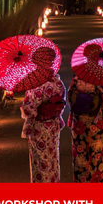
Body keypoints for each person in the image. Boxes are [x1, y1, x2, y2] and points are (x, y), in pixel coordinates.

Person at [20, 48, 66, 183]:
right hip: (53, 125)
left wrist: (24, 108)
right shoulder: (57, 81)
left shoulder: (37, 84)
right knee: (52, 158)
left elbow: (31, 109)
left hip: (39, 127)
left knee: (40, 160)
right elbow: (60, 101)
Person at [68, 74, 103, 183]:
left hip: (78, 126)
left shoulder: (76, 79)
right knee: (96, 160)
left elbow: (71, 100)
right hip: (96, 126)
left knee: (80, 161)